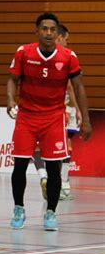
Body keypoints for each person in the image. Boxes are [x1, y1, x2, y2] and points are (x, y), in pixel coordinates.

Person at [7, 12, 92, 232]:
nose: (48, 33)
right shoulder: (23, 52)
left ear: (57, 32)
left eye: (52, 29)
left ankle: (50, 212)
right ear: (37, 31)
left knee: (54, 169)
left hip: (54, 118)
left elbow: (79, 87)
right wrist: (9, 100)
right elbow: (12, 79)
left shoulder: (68, 56)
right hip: (26, 116)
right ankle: (19, 208)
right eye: (44, 29)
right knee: (19, 166)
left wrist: (86, 119)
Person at [34, 23, 81, 200]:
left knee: (39, 146)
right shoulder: (65, 56)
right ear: (59, 37)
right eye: (66, 40)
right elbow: (70, 86)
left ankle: (45, 177)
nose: (67, 44)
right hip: (60, 109)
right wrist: (76, 108)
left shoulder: (38, 53)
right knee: (65, 145)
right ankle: (64, 184)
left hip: (45, 109)